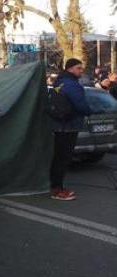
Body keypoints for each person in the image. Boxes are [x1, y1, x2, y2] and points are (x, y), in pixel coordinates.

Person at [50, 58, 91, 201]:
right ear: (70, 69)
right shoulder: (72, 85)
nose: (81, 71)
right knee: (63, 158)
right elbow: (81, 105)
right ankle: (57, 190)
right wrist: (89, 111)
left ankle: (57, 186)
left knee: (58, 157)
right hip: (69, 125)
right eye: (79, 68)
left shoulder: (59, 82)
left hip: (59, 124)